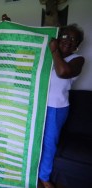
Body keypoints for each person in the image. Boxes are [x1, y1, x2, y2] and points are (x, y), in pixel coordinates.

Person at [38, 24, 85, 188]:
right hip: (38, 106)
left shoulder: (77, 60)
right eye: (65, 36)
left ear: (77, 45)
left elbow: (63, 72)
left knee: (49, 144)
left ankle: (44, 177)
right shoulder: (46, 55)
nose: (68, 41)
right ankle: (29, 170)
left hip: (56, 108)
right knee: (33, 139)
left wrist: (54, 50)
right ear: (57, 39)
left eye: (73, 39)